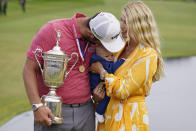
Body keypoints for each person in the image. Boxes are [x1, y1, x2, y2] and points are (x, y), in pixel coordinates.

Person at [23, 12, 125, 131]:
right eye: (102, 43)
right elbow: (29, 69)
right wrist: (37, 106)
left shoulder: (97, 33)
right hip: (54, 111)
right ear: (91, 35)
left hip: (86, 111)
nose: (104, 47)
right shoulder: (52, 30)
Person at [91, 1, 164, 131]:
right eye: (121, 20)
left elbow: (122, 90)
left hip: (130, 118)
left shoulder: (148, 55)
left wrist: (101, 71)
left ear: (138, 25)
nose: (121, 26)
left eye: (126, 22)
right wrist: (97, 98)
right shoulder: (119, 46)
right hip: (108, 116)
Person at [90, 44, 125, 123]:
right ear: (99, 56)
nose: (110, 58)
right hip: (98, 86)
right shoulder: (103, 62)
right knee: (106, 97)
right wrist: (122, 61)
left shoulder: (97, 59)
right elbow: (111, 69)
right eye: (107, 56)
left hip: (97, 84)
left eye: (112, 55)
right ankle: (99, 112)